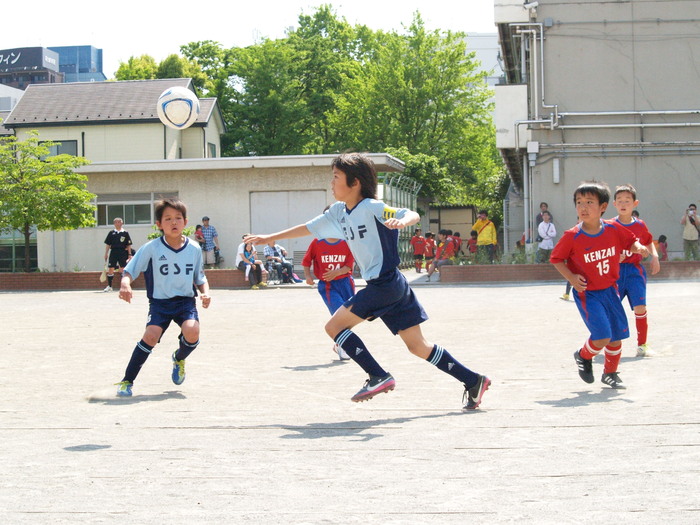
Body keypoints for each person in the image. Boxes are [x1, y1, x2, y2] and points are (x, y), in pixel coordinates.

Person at [244, 153, 490, 410]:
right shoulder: (339, 212)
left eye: (336, 177)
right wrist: (269, 237)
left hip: (384, 284)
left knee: (334, 328)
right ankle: (473, 380)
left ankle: (378, 376)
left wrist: (402, 221)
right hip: (393, 286)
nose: (332, 182)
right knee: (418, 346)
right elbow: (308, 227)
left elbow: (412, 213)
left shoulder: (372, 207)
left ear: (355, 183)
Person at [550, 181, 648, 390]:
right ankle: (583, 355)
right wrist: (572, 279)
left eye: (589, 202)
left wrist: (638, 247)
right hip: (589, 294)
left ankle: (610, 374)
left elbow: (630, 240)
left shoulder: (613, 228)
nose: (583, 207)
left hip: (610, 290)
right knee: (603, 335)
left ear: (603, 207)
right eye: (579, 202)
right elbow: (556, 259)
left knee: (616, 336)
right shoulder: (572, 236)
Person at [114, 198, 211, 397]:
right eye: (167, 219)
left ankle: (179, 357)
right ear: (159, 224)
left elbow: (200, 277)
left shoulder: (194, 248)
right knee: (151, 335)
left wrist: (205, 292)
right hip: (160, 303)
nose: (173, 222)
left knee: (192, 332)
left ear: (185, 222)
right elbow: (130, 271)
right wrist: (125, 284)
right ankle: (127, 381)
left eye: (178, 218)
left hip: (185, 302)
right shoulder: (152, 247)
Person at [611, 184, 661, 357]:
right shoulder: (609, 226)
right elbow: (602, 249)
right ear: (614, 204)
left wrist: (654, 256)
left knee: (640, 307)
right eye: (620, 201)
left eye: (627, 201)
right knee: (611, 308)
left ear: (635, 203)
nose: (623, 204)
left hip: (634, 272)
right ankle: (606, 341)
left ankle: (642, 345)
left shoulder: (640, 225)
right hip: (614, 273)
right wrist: (613, 257)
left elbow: (648, 241)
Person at [302, 236, 355, 361]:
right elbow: (306, 261)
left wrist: (337, 272)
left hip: (346, 283)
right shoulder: (317, 242)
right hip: (327, 285)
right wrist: (307, 276)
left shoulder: (347, 242)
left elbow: (349, 265)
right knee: (338, 314)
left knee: (350, 316)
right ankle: (343, 346)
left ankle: (339, 343)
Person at [103, 217, 133, 292]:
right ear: (114, 224)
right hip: (113, 251)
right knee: (111, 268)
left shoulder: (125, 233)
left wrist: (129, 254)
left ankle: (123, 286)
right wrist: (106, 253)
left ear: (122, 223)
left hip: (122, 252)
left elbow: (128, 244)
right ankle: (110, 286)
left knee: (123, 269)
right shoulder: (111, 233)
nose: (117, 223)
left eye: (119, 222)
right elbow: (108, 244)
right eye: (116, 222)